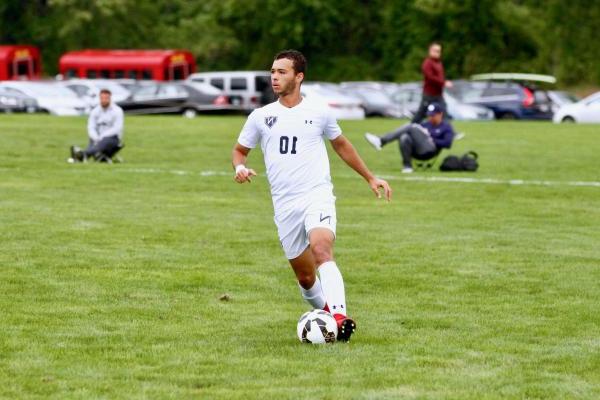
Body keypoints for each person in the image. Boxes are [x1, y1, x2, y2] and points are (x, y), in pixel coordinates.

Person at [231, 50, 392, 342]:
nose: (274, 77)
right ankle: (328, 316)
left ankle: (340, 318)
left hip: (316, 194)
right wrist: (240, 167)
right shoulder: (261, 116)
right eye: (273, 72)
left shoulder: (320, 112)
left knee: (321, 249)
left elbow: (341, 145)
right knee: (306, 279)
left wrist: (370, 177)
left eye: (282, 72)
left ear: (299, 76)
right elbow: (239, 150)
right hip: (284, 205)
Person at [365, 103, 454, 173]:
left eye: (433, 115)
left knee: (411, 126)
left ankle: (381, 141)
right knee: (404, 136)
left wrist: (431, 138)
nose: (430, 117)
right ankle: (407, 167)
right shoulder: (425, 124)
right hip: (417, 151)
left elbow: (448, 143)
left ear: (440, 114)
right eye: (429, 115)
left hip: (430, 150)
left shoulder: (446, 127)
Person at [70, 89, 124, 163]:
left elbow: (117, 128)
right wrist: (95, 137)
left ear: (110, 98)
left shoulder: (117, 111)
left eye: (106, 98)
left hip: (112, 138)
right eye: (102, 98)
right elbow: (91, 127)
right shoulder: (95, 111)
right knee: (96, 143)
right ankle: (85, 155)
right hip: (96, 138)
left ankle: (82, 154)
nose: (104, 100)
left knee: (104, 142)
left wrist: (103, 136)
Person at [411, 42, 452, 123]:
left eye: (439, 51)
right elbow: (430, 78)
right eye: (435, 51)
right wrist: (443, 82)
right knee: (421, 113)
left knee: (443, 111)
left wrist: (443, 81)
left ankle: (448, 132)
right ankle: (410, 128)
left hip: (438, 94)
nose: (437, 53)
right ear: (430, 51)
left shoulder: (439, 63)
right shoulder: (427, 63)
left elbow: (440, 77)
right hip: (429, 94)